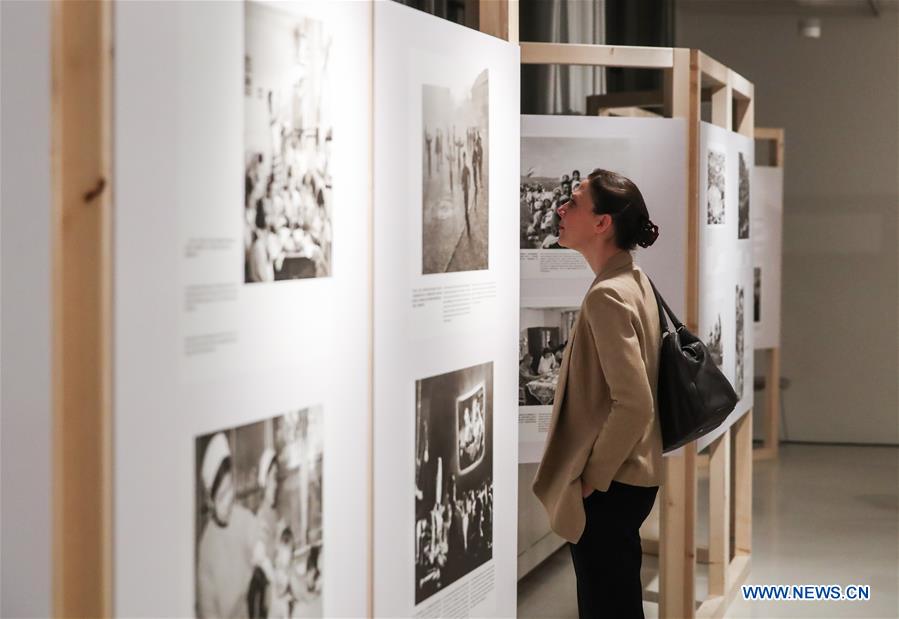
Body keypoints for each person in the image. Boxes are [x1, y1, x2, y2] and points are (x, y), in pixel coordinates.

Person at [532, 169, 663, 619]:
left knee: (606, 605)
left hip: (615, 482)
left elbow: (635, 402)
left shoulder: (607, 295)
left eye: (573, 202)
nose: (560, 209)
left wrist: (593, 480)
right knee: (618, 599)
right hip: (633, 476)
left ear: (602, 222)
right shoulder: (634, 280)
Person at [197, 433, 261, 619]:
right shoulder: (207, 548)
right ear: (210, 501)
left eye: (230, 489)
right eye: (221, 496)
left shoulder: (242, 518)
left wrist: (260, 547)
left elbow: (257, 532)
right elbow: (208, 612)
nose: (228, 502)